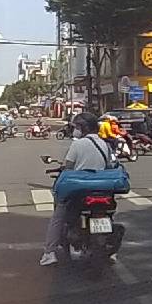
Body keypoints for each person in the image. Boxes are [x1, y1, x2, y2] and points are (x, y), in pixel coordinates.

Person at [40, 113, 113, 266]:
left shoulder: (77, 144)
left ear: (83, 128)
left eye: (77, 127)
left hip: (79, 190)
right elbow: (109, 166)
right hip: (102, 189)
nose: (75, 130)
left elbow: (68, 167)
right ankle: (111, 250)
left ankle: (49, 252)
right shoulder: (104, 144)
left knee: (59, 215)